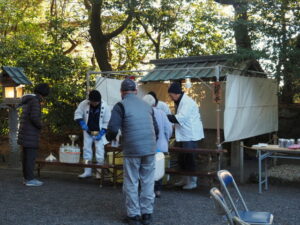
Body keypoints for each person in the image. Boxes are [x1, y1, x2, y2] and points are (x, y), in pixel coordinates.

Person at [106, 79, 159, 225]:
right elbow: (156, 129)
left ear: (122, 92)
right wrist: (151, 143)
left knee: (131, 181)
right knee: (148, 181)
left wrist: (108, 138)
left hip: (133, 149)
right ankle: (147, 214)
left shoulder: (120, 105)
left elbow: (112, 129)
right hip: (150, 148)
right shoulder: (147, 105)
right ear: (135, 91)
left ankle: (134, 216)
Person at [167, 82, 204, 190]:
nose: (170, 97)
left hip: (190, 135)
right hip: (184, 134)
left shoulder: (186, 102)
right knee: (182, 158)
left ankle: (192, 181)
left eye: (170, 95)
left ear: (175, 93)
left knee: (189, 157)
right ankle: (184, 179)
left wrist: (165, 116)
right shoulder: (181, 101)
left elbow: (180, 118)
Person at [18, 83, 50, 187]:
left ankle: (26, 178)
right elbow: (34, 118)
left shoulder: (28, 100)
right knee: (30, 157)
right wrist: (41, 125)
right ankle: (30, 179)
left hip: (25, 132)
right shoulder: (35, 101)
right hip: (30, 134)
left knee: (26, 157)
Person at [74, 90, 111, 178]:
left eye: (95, 102)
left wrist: (102, 133)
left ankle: (99, 173)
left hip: (99, 132)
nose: (93, 103)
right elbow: (78, 113)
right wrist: (82, 123)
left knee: (100, 151)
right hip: (88, 131)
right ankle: (87, 171)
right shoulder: (84, 103)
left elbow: (107, 121)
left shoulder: (105, 106)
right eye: (92, 102)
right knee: (86, 150)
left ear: (99, 100)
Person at [143, 94, 172, 198]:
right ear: (154, 103)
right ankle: (158, 190)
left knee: (146, 167)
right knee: (158, 167)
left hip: (146, 145)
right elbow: (168, 129)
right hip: (160, 145)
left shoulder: (142, 113)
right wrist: (166, 139)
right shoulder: (161, 113)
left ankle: (147, 189)